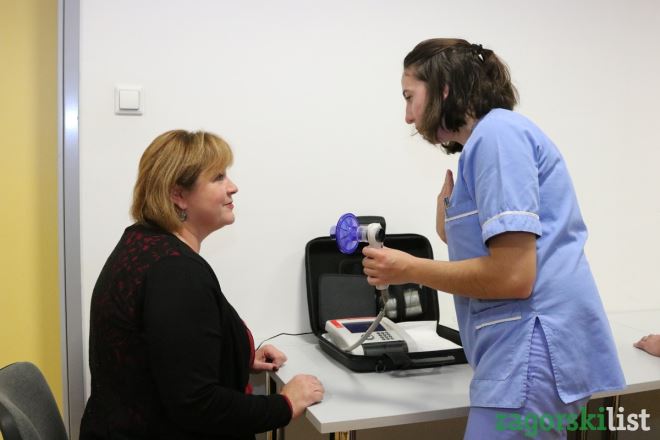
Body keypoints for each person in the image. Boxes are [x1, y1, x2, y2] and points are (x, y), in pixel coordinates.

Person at [361, 39, 626, 438]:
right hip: (518, 354)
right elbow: (495, 251)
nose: (408, 116)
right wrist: (449, 224)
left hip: (530, 352)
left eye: (410, 97)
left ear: (444, 89)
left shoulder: (498, 137)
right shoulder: (487, 143)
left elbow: (512, 277)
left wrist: (409, 269)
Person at [80, 130, 324, 440]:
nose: (233, 187)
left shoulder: (141, 243)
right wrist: (285, 404)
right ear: (178, 195)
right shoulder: (175, 273)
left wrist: (234, 357)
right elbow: (198, 405)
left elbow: (167, 353)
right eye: (218, 177)